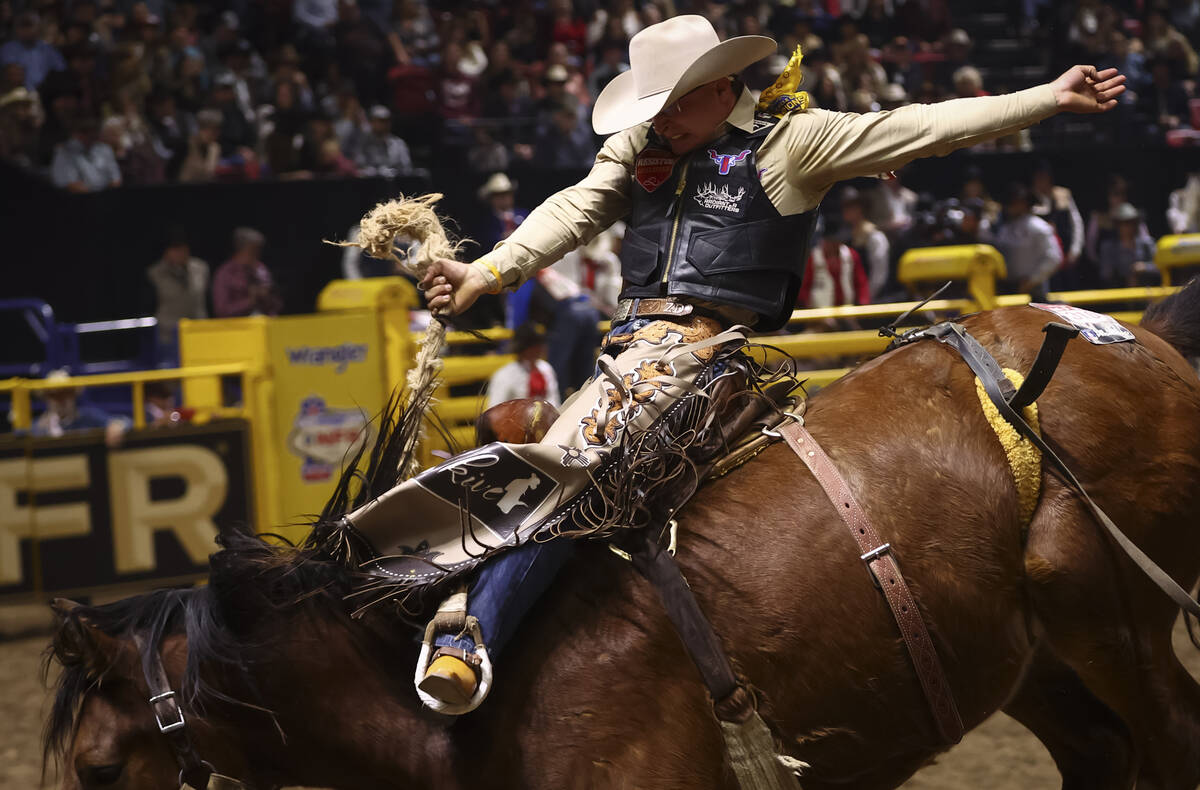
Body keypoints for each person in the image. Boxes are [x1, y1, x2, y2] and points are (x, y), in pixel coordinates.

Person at [344, 14, 1128, 708]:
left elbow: (920, 124)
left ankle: (465, 629)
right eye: (652, 108)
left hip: (698, 351)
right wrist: (488, 272)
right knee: (544, 446)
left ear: (721, 89)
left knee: (571, 455)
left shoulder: (793, 143)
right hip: (628, 348)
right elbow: (577, 205)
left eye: (670, 105)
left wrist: (1048, 98)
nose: (658, 124)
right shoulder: (643, 146)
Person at [146, 226, 209, 365]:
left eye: (184, 248)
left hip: (198, 334)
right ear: (166, 252)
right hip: (169, 338)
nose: (181, 253)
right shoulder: (155, 274)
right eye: (176, 249)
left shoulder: (201, 268)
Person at [993, 182, 1063, 302]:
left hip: (1033, 291)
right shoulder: (1005, 228)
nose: (1011, 206)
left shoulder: (1038, 227)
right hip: (1007, 288)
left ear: (1024, 203)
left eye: (1016, 202)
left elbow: (1054, 257)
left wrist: (1032, 280)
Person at [486, 323, 562, 409]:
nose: (540, 348)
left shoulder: (546, 368)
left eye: (541, 343)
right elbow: (495, 410)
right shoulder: (506, 375)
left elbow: (554, 401)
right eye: (535, 344)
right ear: (523, 346)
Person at [212, 227, 281, 317]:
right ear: (240, 249)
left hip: (264, 325)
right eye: (253, 250)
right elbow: (221, 310)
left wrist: (265, 297)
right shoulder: (225, 274)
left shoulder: (261, 270)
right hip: (238, 328)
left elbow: (277, 305)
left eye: (259, 250)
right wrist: (251, 301)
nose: (257, 254)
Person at [838, 186, 890, 301]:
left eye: (850, 207)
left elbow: (879, 275)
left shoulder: (875, 236)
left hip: (873, 300)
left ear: (860, 208)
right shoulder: (847, 236)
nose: (845, 211)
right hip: (853, 299)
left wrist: (866, 299)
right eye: (844, 207)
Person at [1097, 203, 1158, 288]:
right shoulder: (1108, 247)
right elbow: (1105, 275)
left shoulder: (1147, 244)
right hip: (1118, 295)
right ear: (1117, 225)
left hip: (1146, 294)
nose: (1127, 227)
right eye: (1123, 223)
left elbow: (1160, 267)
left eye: (1131, 222)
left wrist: (1144, 267)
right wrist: (1127, 274)